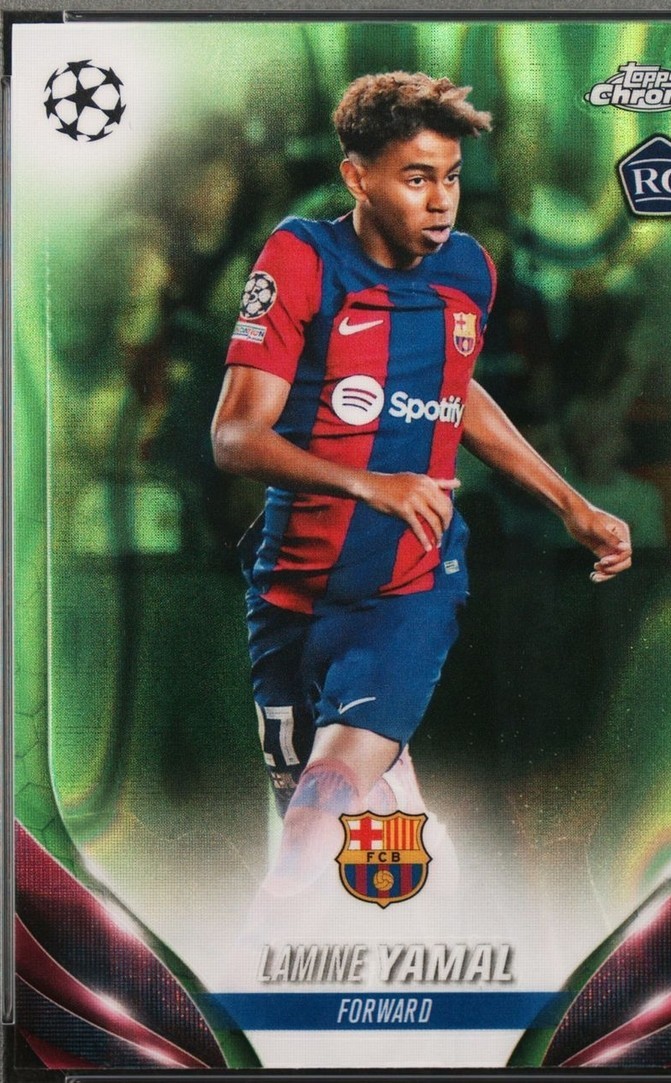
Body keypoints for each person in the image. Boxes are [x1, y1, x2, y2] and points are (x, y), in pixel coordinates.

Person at [211, 72, 632, 900]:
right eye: (416, 178)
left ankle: (263, 938)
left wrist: (571, 503)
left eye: (452, 177)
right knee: (332, 829)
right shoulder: (301, 258)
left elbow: (458, 389)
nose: (441, 201)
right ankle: (418, 883)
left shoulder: (469, 268)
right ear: (357, 177)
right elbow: (233, 436)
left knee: (318, 813)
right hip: (291, 588)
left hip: (411, 581)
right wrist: (367, 482)